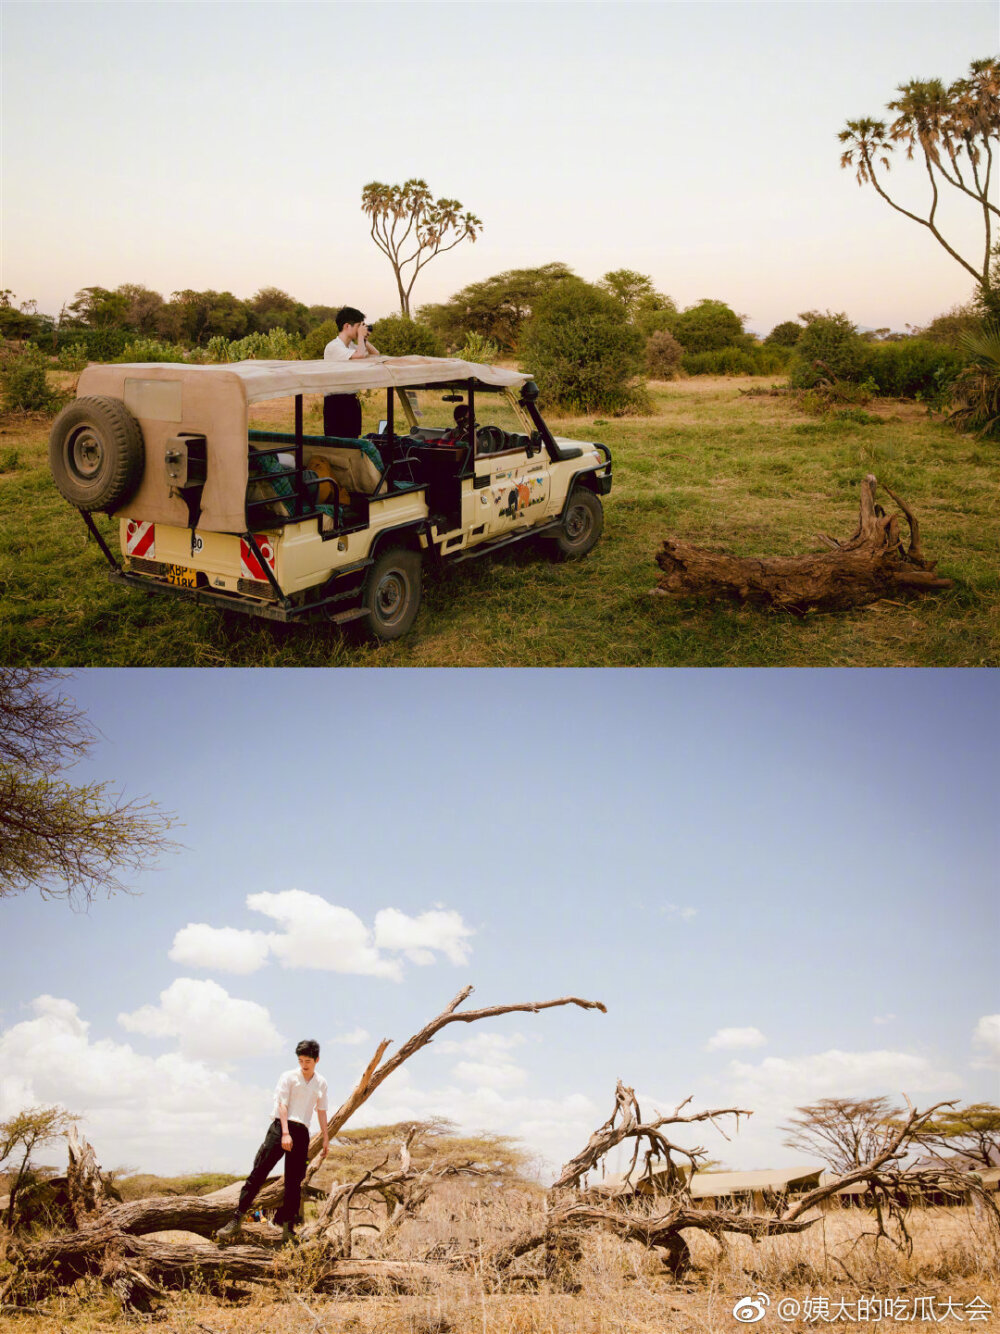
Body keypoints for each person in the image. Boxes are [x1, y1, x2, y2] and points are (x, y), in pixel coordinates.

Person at [215, 1039, 329, 1246]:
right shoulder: (288, 1077)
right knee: (258, 1174)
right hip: (280, 1129)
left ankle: (288, 1230)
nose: (304, 1065)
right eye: (301, 1060)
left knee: (294, 1184)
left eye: (308, 1061)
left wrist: (326, 1138)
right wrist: (285, 1133)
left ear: (317, 1060)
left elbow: (321, 1111)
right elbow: (282, 1105)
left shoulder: (321, 1082)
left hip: (302, 1132)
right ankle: (236, 1220)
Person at [323, 306, 380, 438]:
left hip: (351, 399)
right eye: (359, 326)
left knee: (353, 439)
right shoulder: (334, 347)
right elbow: (360, 355)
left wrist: (364, 339)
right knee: (338, 443)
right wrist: (360, 337)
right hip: (336, 402)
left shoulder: (352, 347)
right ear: (347, 326)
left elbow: (375, 354)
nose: (361, 329)